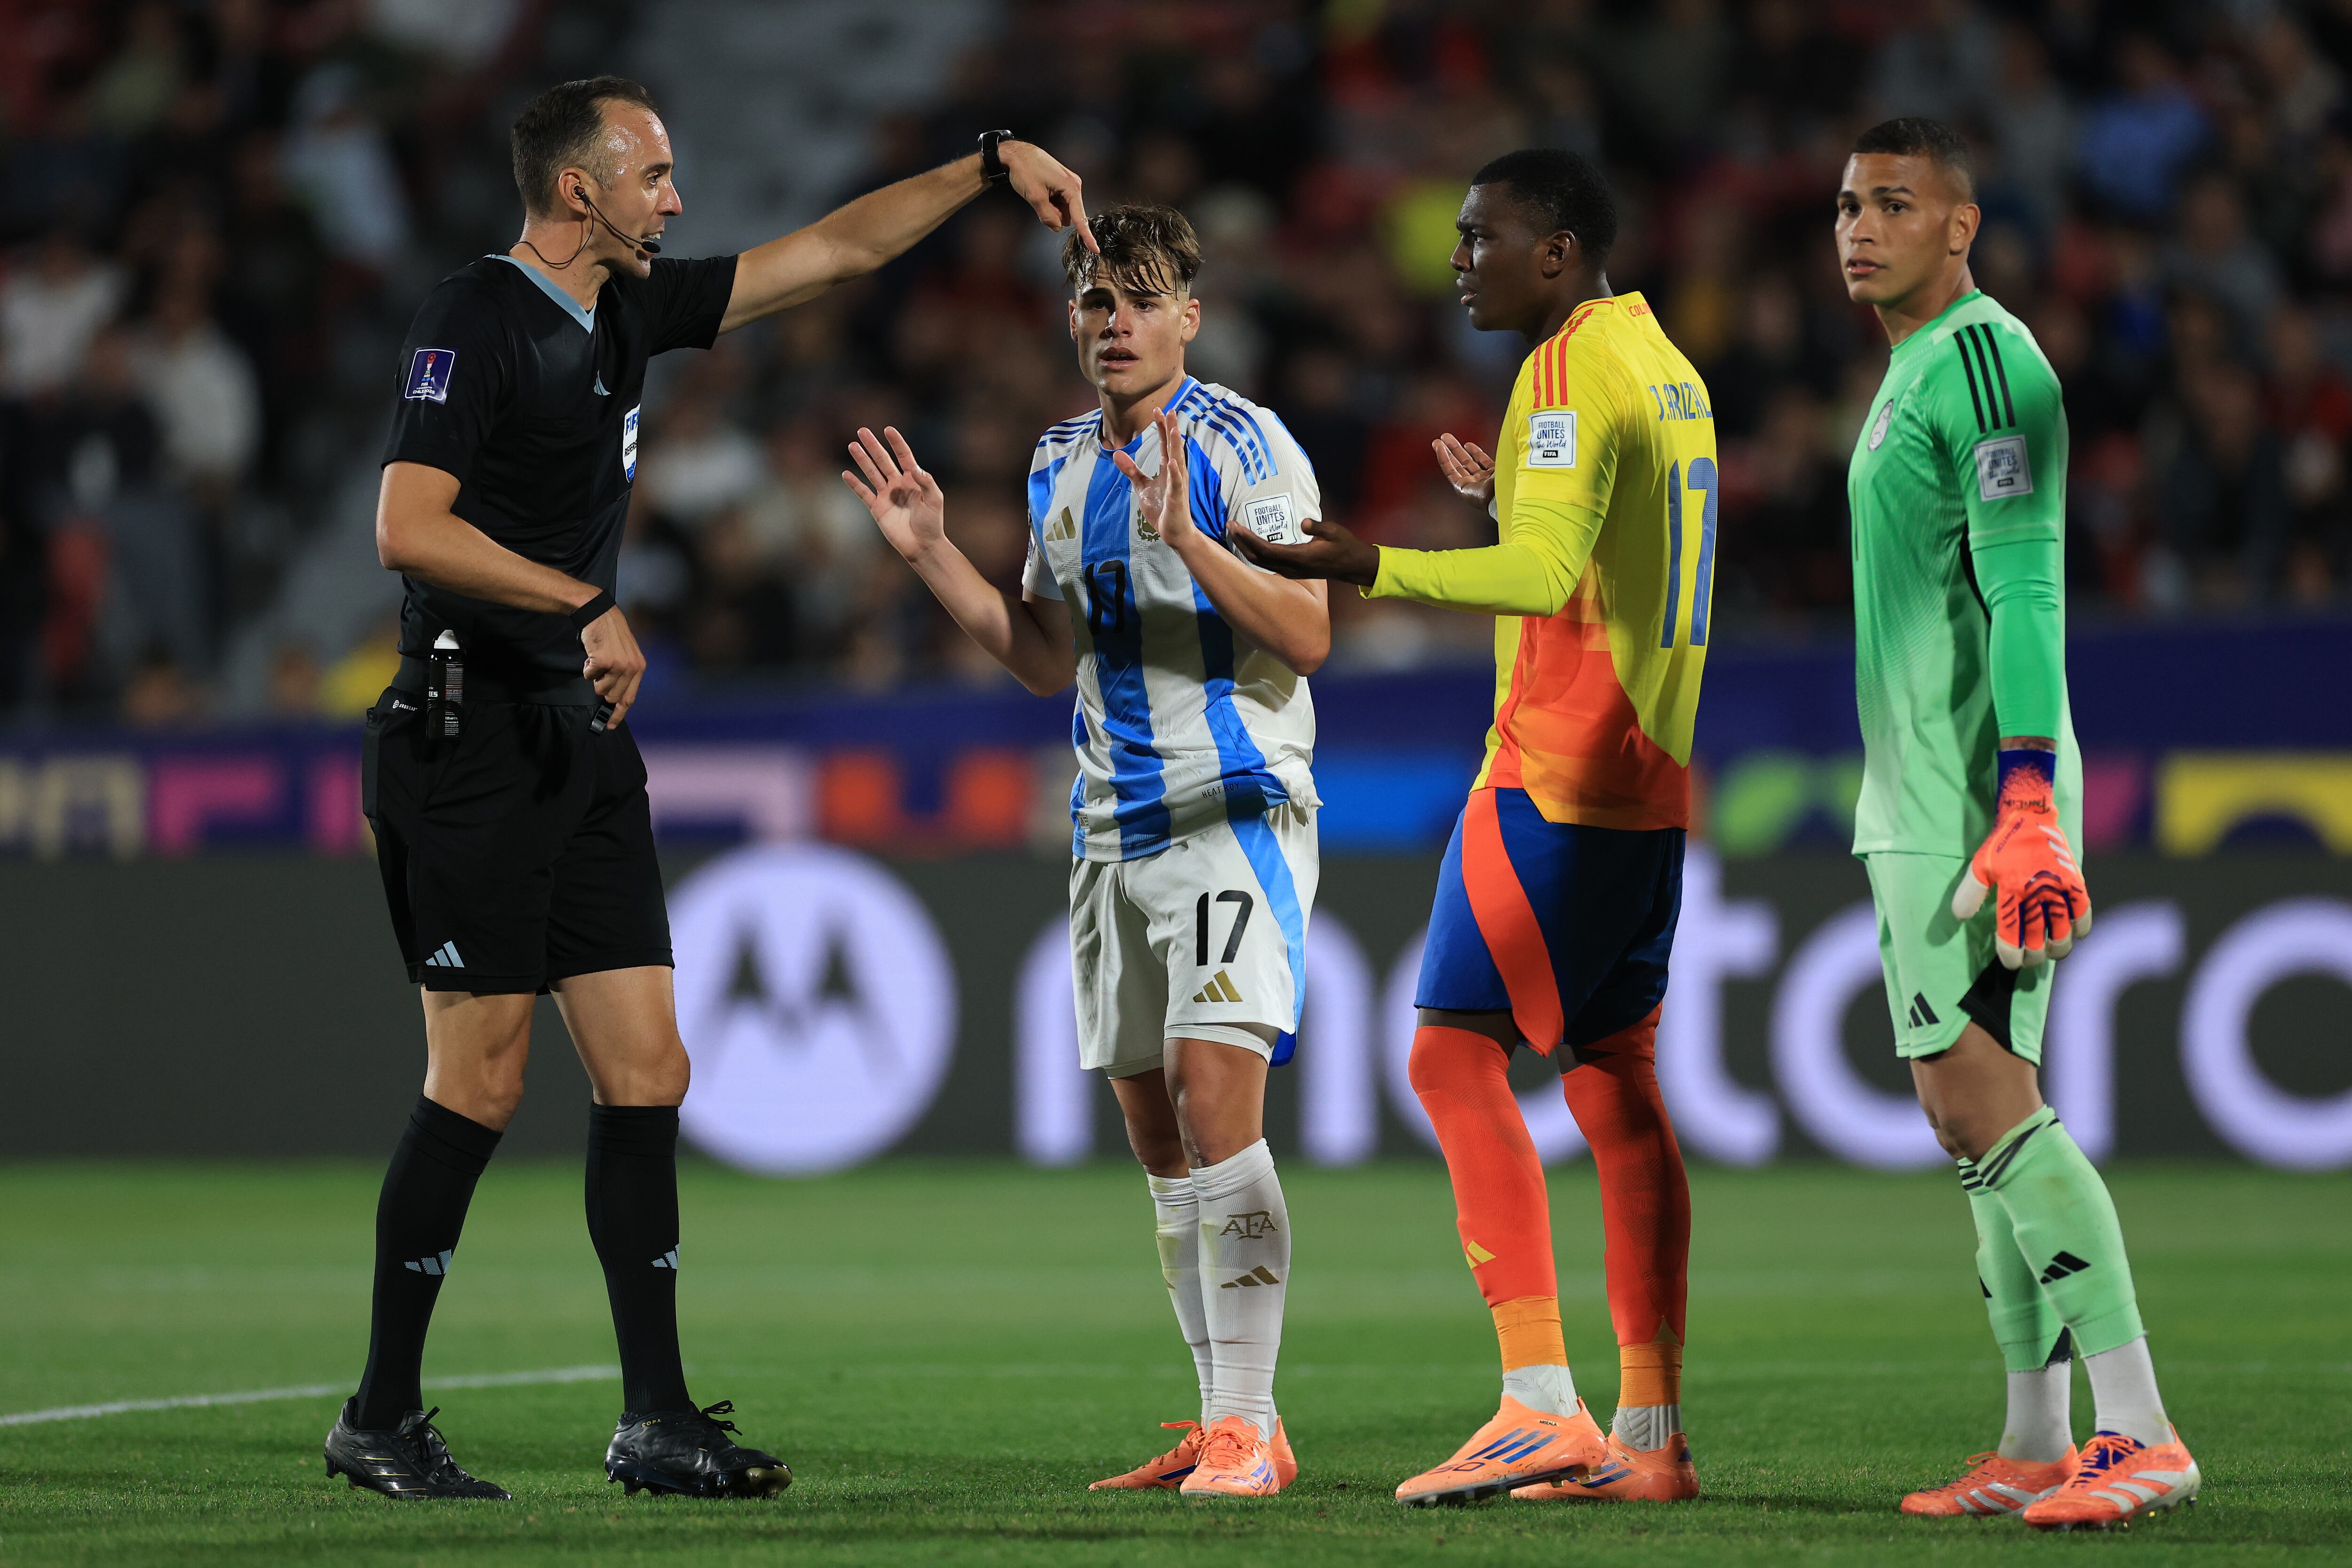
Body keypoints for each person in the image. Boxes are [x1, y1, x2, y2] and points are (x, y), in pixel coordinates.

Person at [331, 76, 1091, 1501]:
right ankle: (379, 1414)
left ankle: (657, 1417)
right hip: (469, 743)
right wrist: (579, 601)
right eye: (655, 175)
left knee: (651, 1070)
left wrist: (986, 167)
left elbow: (834, 253)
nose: (676, 198)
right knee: (480, 1083)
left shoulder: (628, 307)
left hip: (580, 742)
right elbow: (404, 526)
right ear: (580, 191)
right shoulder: (477, 319)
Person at [1236, 148, 1712, 1508]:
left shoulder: (1561, 368)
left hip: (1552, 777)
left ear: (1555, 252)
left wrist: (1368, 560)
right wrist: (1507, 503)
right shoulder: (1668, 368)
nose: (1455, 260)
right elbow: (1603, 553)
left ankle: (1535, 1401)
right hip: (1649, 779)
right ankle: (1651, 1433)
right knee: (1617, 1087)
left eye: (1477, 237)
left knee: (1452, 1062)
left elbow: (1551, 573)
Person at [841, 203, 1325, 1501]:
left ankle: (1247, 1424)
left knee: (1221, 1106)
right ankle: (1228, 1418)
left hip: (1230, 807)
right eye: (1094, 300)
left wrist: (1191, 538)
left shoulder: (1245, 445)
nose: (1113, 323)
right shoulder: (1060, 460)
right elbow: (1050, 656)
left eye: (1140, 299)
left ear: (1190, 318)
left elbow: (1313, 628)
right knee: (1159, 1138)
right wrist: (936, 554)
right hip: (1109, 829)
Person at [1835, 117, 2198, 1528]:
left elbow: (2030, 585)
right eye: (1851, 205)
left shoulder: (1987, 362)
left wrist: (2031, 798)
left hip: (1979, 806)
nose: (1862, 227)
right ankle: (2037, 1441)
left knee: (1979, 1106)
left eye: (1896, 203)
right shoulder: (1908, 372)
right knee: (1975, 1121)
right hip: (1925, 796)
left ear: (1962, 225)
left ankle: (2142, 1428)